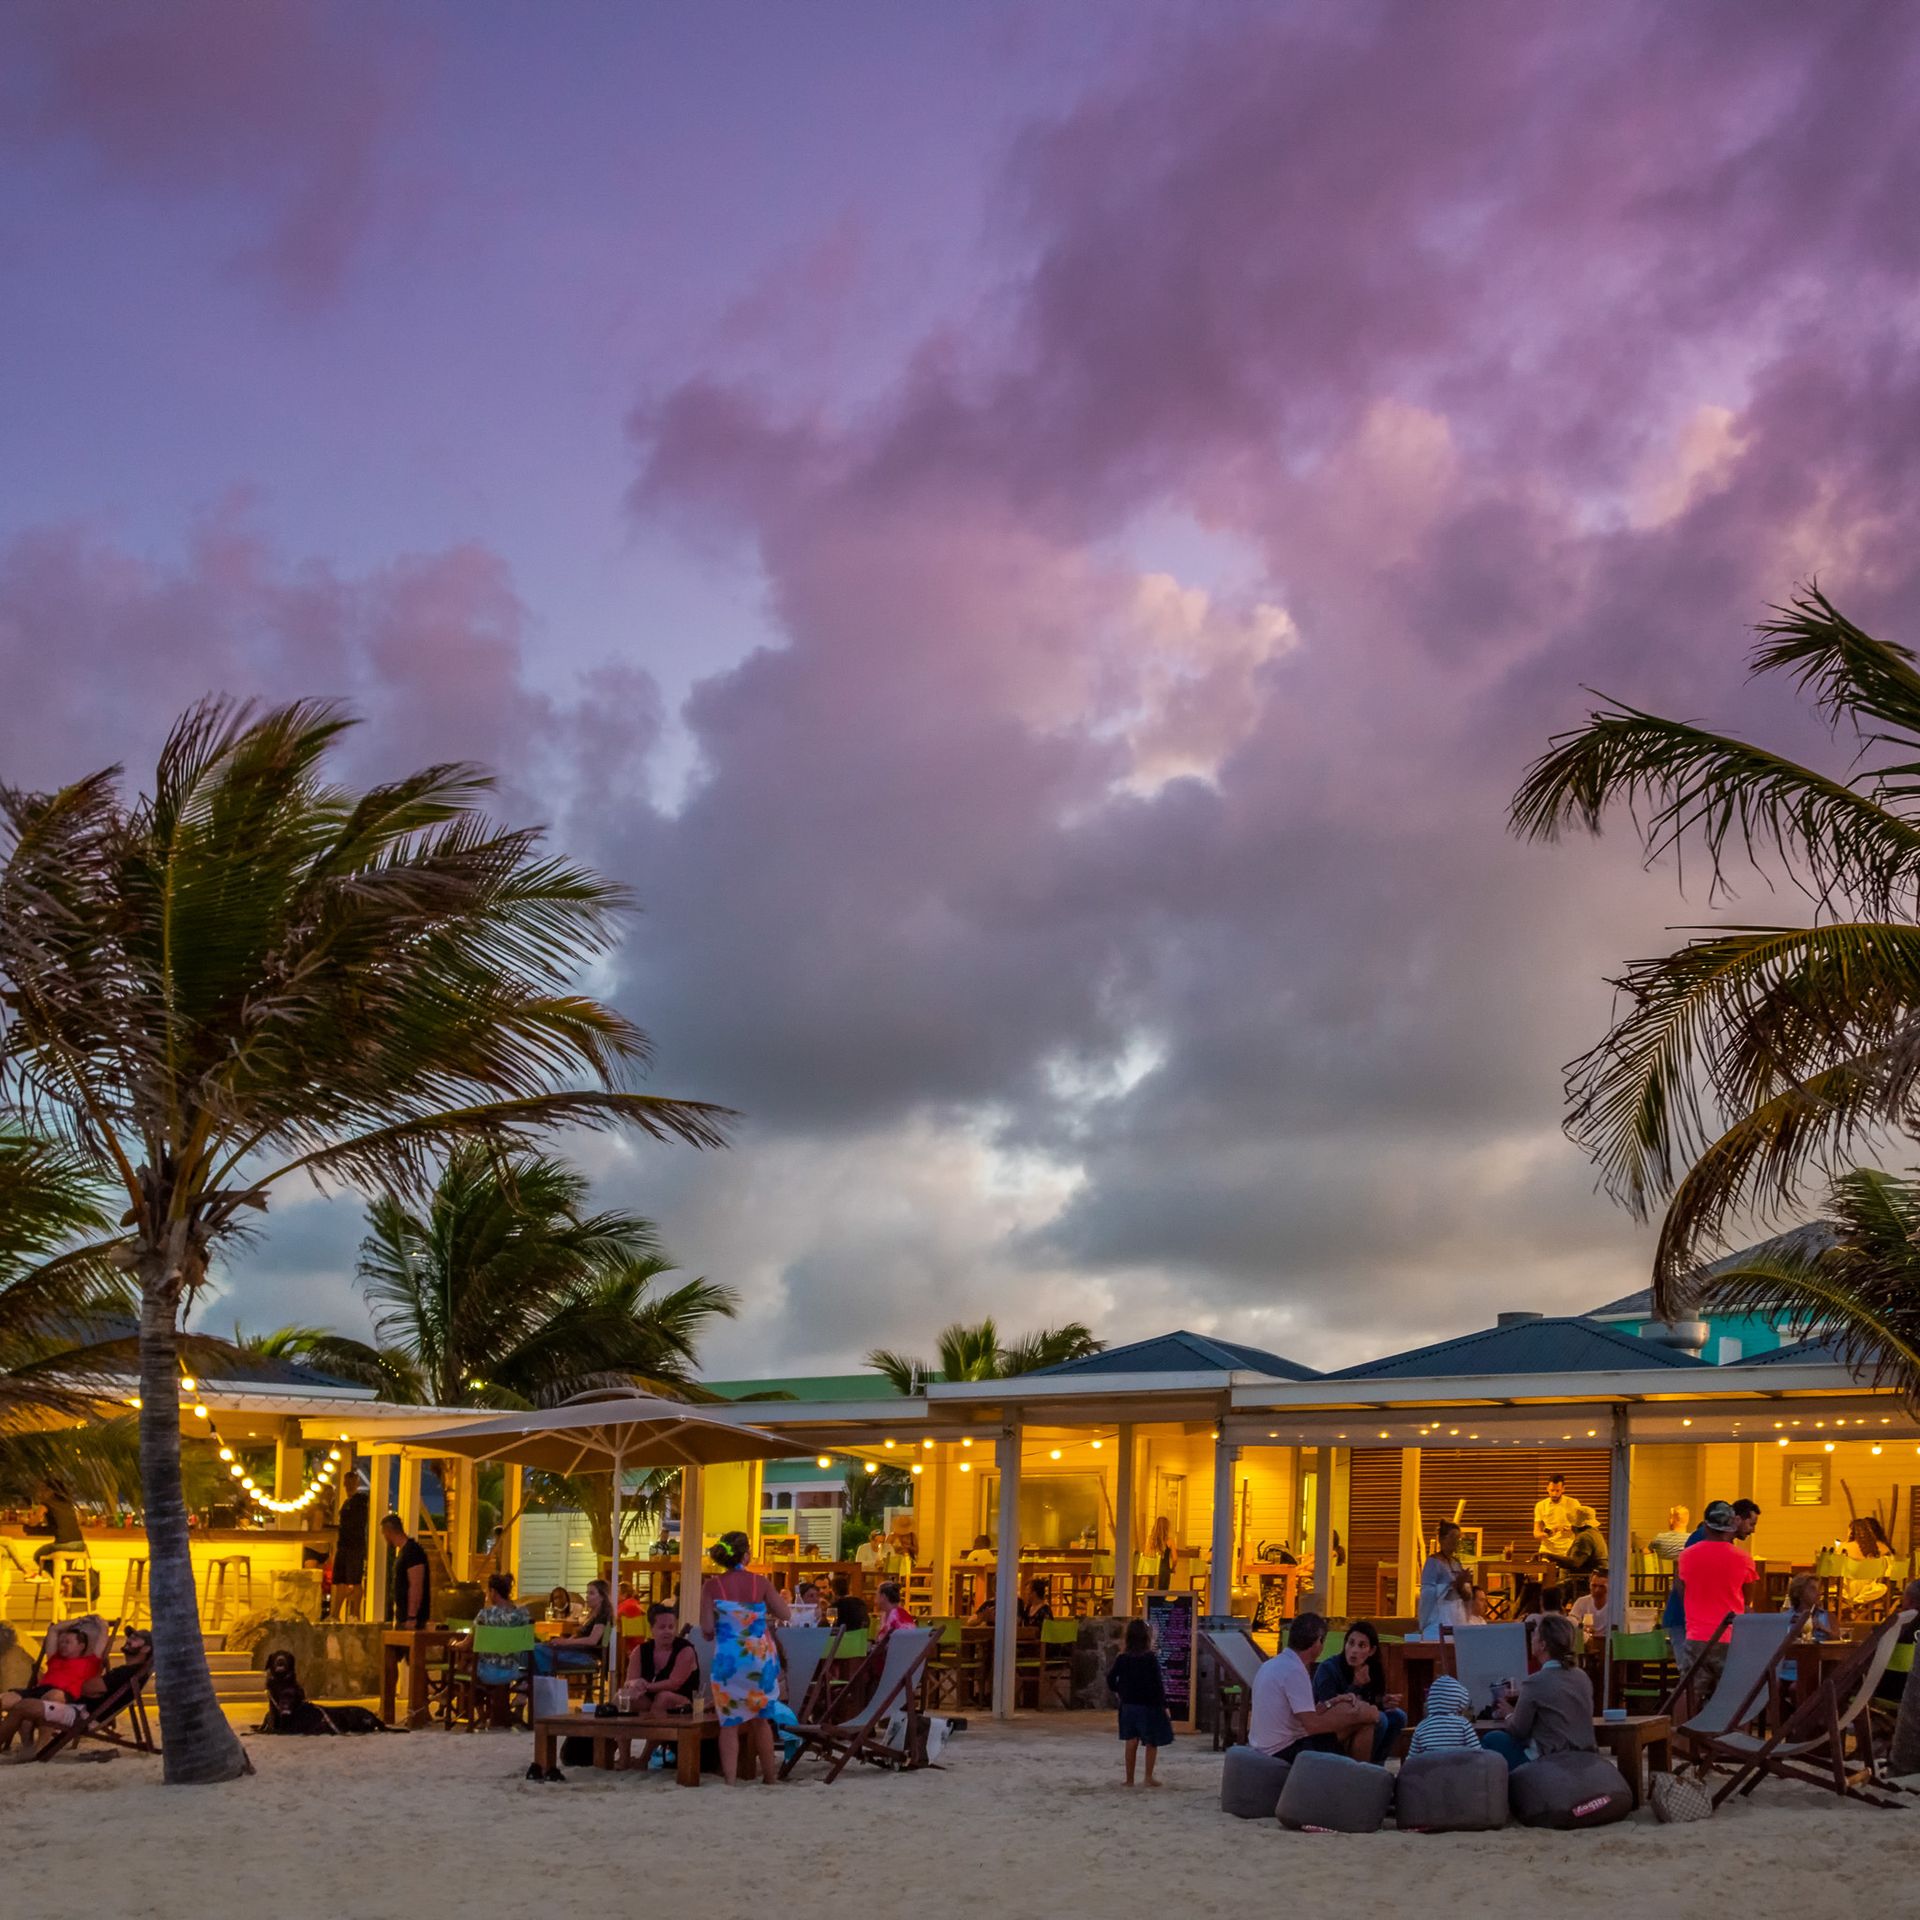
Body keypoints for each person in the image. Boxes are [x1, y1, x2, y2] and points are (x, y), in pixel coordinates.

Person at [700, 1530, 790, 1786]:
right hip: (758, 1658)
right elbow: (785, 1614)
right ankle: (770, 1777)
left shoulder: (712, 1586)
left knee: (728, 1722)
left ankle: (730, 1780)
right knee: (761, 1720)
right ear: (746, 1554)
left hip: (728, 1659)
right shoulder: (760, 1583)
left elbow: (707, 1628)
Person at [1248, 1611, 1379, 1763]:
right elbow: (1312, 1726)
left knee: (1358, 1719)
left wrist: (1334, 1702)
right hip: (1283, 1750)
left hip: (1266, 1746)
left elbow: (1304, 1713)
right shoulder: (1295, 1671)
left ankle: (1357, 1771)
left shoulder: (1272, 1664)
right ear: (1318, 1641)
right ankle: (1357, 1773)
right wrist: (1356, 1715)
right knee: (1362, 1719)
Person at [1480, 1612, 1596, 1772]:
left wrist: (1508, 1713)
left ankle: (1505, 1787)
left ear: (1543, 1645)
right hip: (1583, 1756)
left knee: (1492, 1739)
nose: (1531, 1638)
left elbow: (1518, 1731)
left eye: (1535, 1634)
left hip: (1549, 1758)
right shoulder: (1582, 1677)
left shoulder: (1536, 1681)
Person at [1676, 1500, 1757, 1690]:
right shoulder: (1743, 1558)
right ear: (1731, 1526)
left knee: (1689, 1692)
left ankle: (1682, 1712)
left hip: (1697, 1635)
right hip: (1730, 1636)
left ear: (1706, 1525)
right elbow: (1748, 1598)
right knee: (1732, 1693)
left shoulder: (1686, 1556)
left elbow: (1681, 1590)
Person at [1662, 1496, 1760, 1650]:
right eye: (1751, 1524)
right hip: (1688, 1622)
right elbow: (1683, 1580)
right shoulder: (1704, 1539)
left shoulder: (1725, 1546)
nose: (1752, 1530)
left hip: (1704, 1626)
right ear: (1737, 1519)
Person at [1312, 1619, 1406, 1765]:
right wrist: (1355, 1685)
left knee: (1398, 1716)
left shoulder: (1372, 1668)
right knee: (1380, 1719)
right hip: (1331, 1723)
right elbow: (1330, 1707)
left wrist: (1382, 1702)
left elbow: (1369, 1702)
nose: (1354, 1650)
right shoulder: (1329, 1669)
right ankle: (1366, 1766)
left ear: (1371, 1651)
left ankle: (1378, 1764)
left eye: (1362, 1646)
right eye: (1351, 1643)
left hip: (1360, 1716)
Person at [620, 1603, 700, 1772]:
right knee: (624, 1698)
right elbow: (629, 1681)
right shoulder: (640, 1651)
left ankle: (645, 1758)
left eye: (671, 1627)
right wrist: (633, 1686)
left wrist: (645, 1686)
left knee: (663, 1697)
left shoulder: (685, 1649)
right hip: (651, 1697)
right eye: (662, 1627)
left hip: (682, 1700)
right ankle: (624, 1757)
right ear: (652, 1629)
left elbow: (674, 1683)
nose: (668, 1631)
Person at [0, 1623, 103, 1753]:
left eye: (67, 1642)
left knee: (53, 1696)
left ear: (81, 1646)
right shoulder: (55, 1658)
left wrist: (97, 1622)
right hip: (39, 1690)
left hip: (65, 1694)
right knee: (4, 1699)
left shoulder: (90, 1662)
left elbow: (102, 1632)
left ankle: (42, 1746)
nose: (62, 1645)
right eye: (61, 1642)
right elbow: (53, 1630)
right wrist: (79, 1620)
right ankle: (27, 1745)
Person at [1106, 1616, 1173, 1786]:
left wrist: (1119, 1691)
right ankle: (1148, 1777)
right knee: (1151, 1741)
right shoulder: (1150, 1658)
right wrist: (1164, 1705)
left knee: (1131, 1740)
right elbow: (1157, 1685)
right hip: (1149, 1705)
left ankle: (1129, 1779)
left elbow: (1110, 1679)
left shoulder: (1122, 1658)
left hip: (1128, 1705)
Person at [535, 1577, 613, 1674]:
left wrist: (565, 1642)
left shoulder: (603, 1615)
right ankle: (542, 1679)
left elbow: (592, 1640)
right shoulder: (593, 1614)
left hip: (586, 1657)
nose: (587, 1597)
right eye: (587, 1593)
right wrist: (564, 1641)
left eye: (591, 1593)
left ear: (602, 1597)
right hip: (578, 1651)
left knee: (537, 1649)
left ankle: (540, 1679)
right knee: (538, 1648)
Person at [471, 1573, 534, 1687]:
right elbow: (529, 1641)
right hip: (514, 1670)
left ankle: (461, 1694)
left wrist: (454, 1643)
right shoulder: (523, 1614)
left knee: (465, 1662)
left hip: (486, 1672)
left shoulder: (484, 1615)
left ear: (493, 1592)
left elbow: (468, 1643)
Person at [1406, 1673, 1484, 1756]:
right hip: (1458, 1764)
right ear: (1458, 1701)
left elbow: (1412, 1759)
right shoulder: (1463, 1724)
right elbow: (1477, 1753)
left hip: (1431, 1764)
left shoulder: (1421, 1727)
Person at [1418, 1520, 1474, 1633]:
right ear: (1441, 1539)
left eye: (1458, 1538)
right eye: (1452, 1537)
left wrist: (1463, 1587)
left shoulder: (1456, 1563)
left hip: (1456, 1617)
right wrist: (1448, 1587)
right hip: (1439, 1617)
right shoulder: (1433, 1562)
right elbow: (1428, 1593)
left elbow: (1466, 1596)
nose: (1455, 1541)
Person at [1543, 1506, 1608, 1600]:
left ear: (1575, 1525)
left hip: (1582, 1581)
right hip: (1591, 1578)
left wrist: (1548, 1556)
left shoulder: (1584, 1537)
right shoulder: (1594, 1534)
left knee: (1543, 1592)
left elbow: (1574, 1562)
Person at [331, 1470, 369, 1621]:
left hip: (354, 1546)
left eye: (352, 1482)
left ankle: (355, 1614)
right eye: (347, 1482)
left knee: (355, 1580)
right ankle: (335, 1614)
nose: (349, 1485)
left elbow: (357, 1524)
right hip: (344, 1545)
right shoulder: (346, 1503)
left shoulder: (360, 1501)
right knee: (340, 1580)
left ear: (357, 1483)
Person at [382, 1514, 431, 1628]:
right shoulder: (404, 1552)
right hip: (403, 1616)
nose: (384, 1537)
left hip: (411, 1619)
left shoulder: (412, 1551)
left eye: (384, 1533)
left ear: (389, 1531)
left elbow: (416, 1584)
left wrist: (411, 1616)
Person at [1842, 1517, 1894, 1607]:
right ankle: (1858, 1602)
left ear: (1851, 1532)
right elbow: (1890, 1564)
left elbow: (1835, 1568)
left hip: (1848, 1590)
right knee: (1881, 1587)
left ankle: (1843, 1609)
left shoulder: (1845, 1547)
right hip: (1870, 1589)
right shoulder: (1882, 1547)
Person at [1532, 1473, 1579, 1558]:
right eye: (1552, 1490)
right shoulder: (1540, 1505)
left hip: (1567, 1549)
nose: (1554, 1494)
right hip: (1547, 1550)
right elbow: (1536, 1533)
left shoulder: (1573, 1503)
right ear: (1547, 1489)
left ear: (1563, 1489)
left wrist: (1565, 1528)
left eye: (1557, 1490)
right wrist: (1546, 1534)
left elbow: (1580, 1528)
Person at [1567, 1571, 1610, 1643]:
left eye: (1602, 1586)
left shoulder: (1613, 1605)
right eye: (1594, 1585)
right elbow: (1571, 1619)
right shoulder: (1582, 1601)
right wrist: (1581, 1627)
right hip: (1586, 1641)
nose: (1597, 1590)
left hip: (1607, 1641)